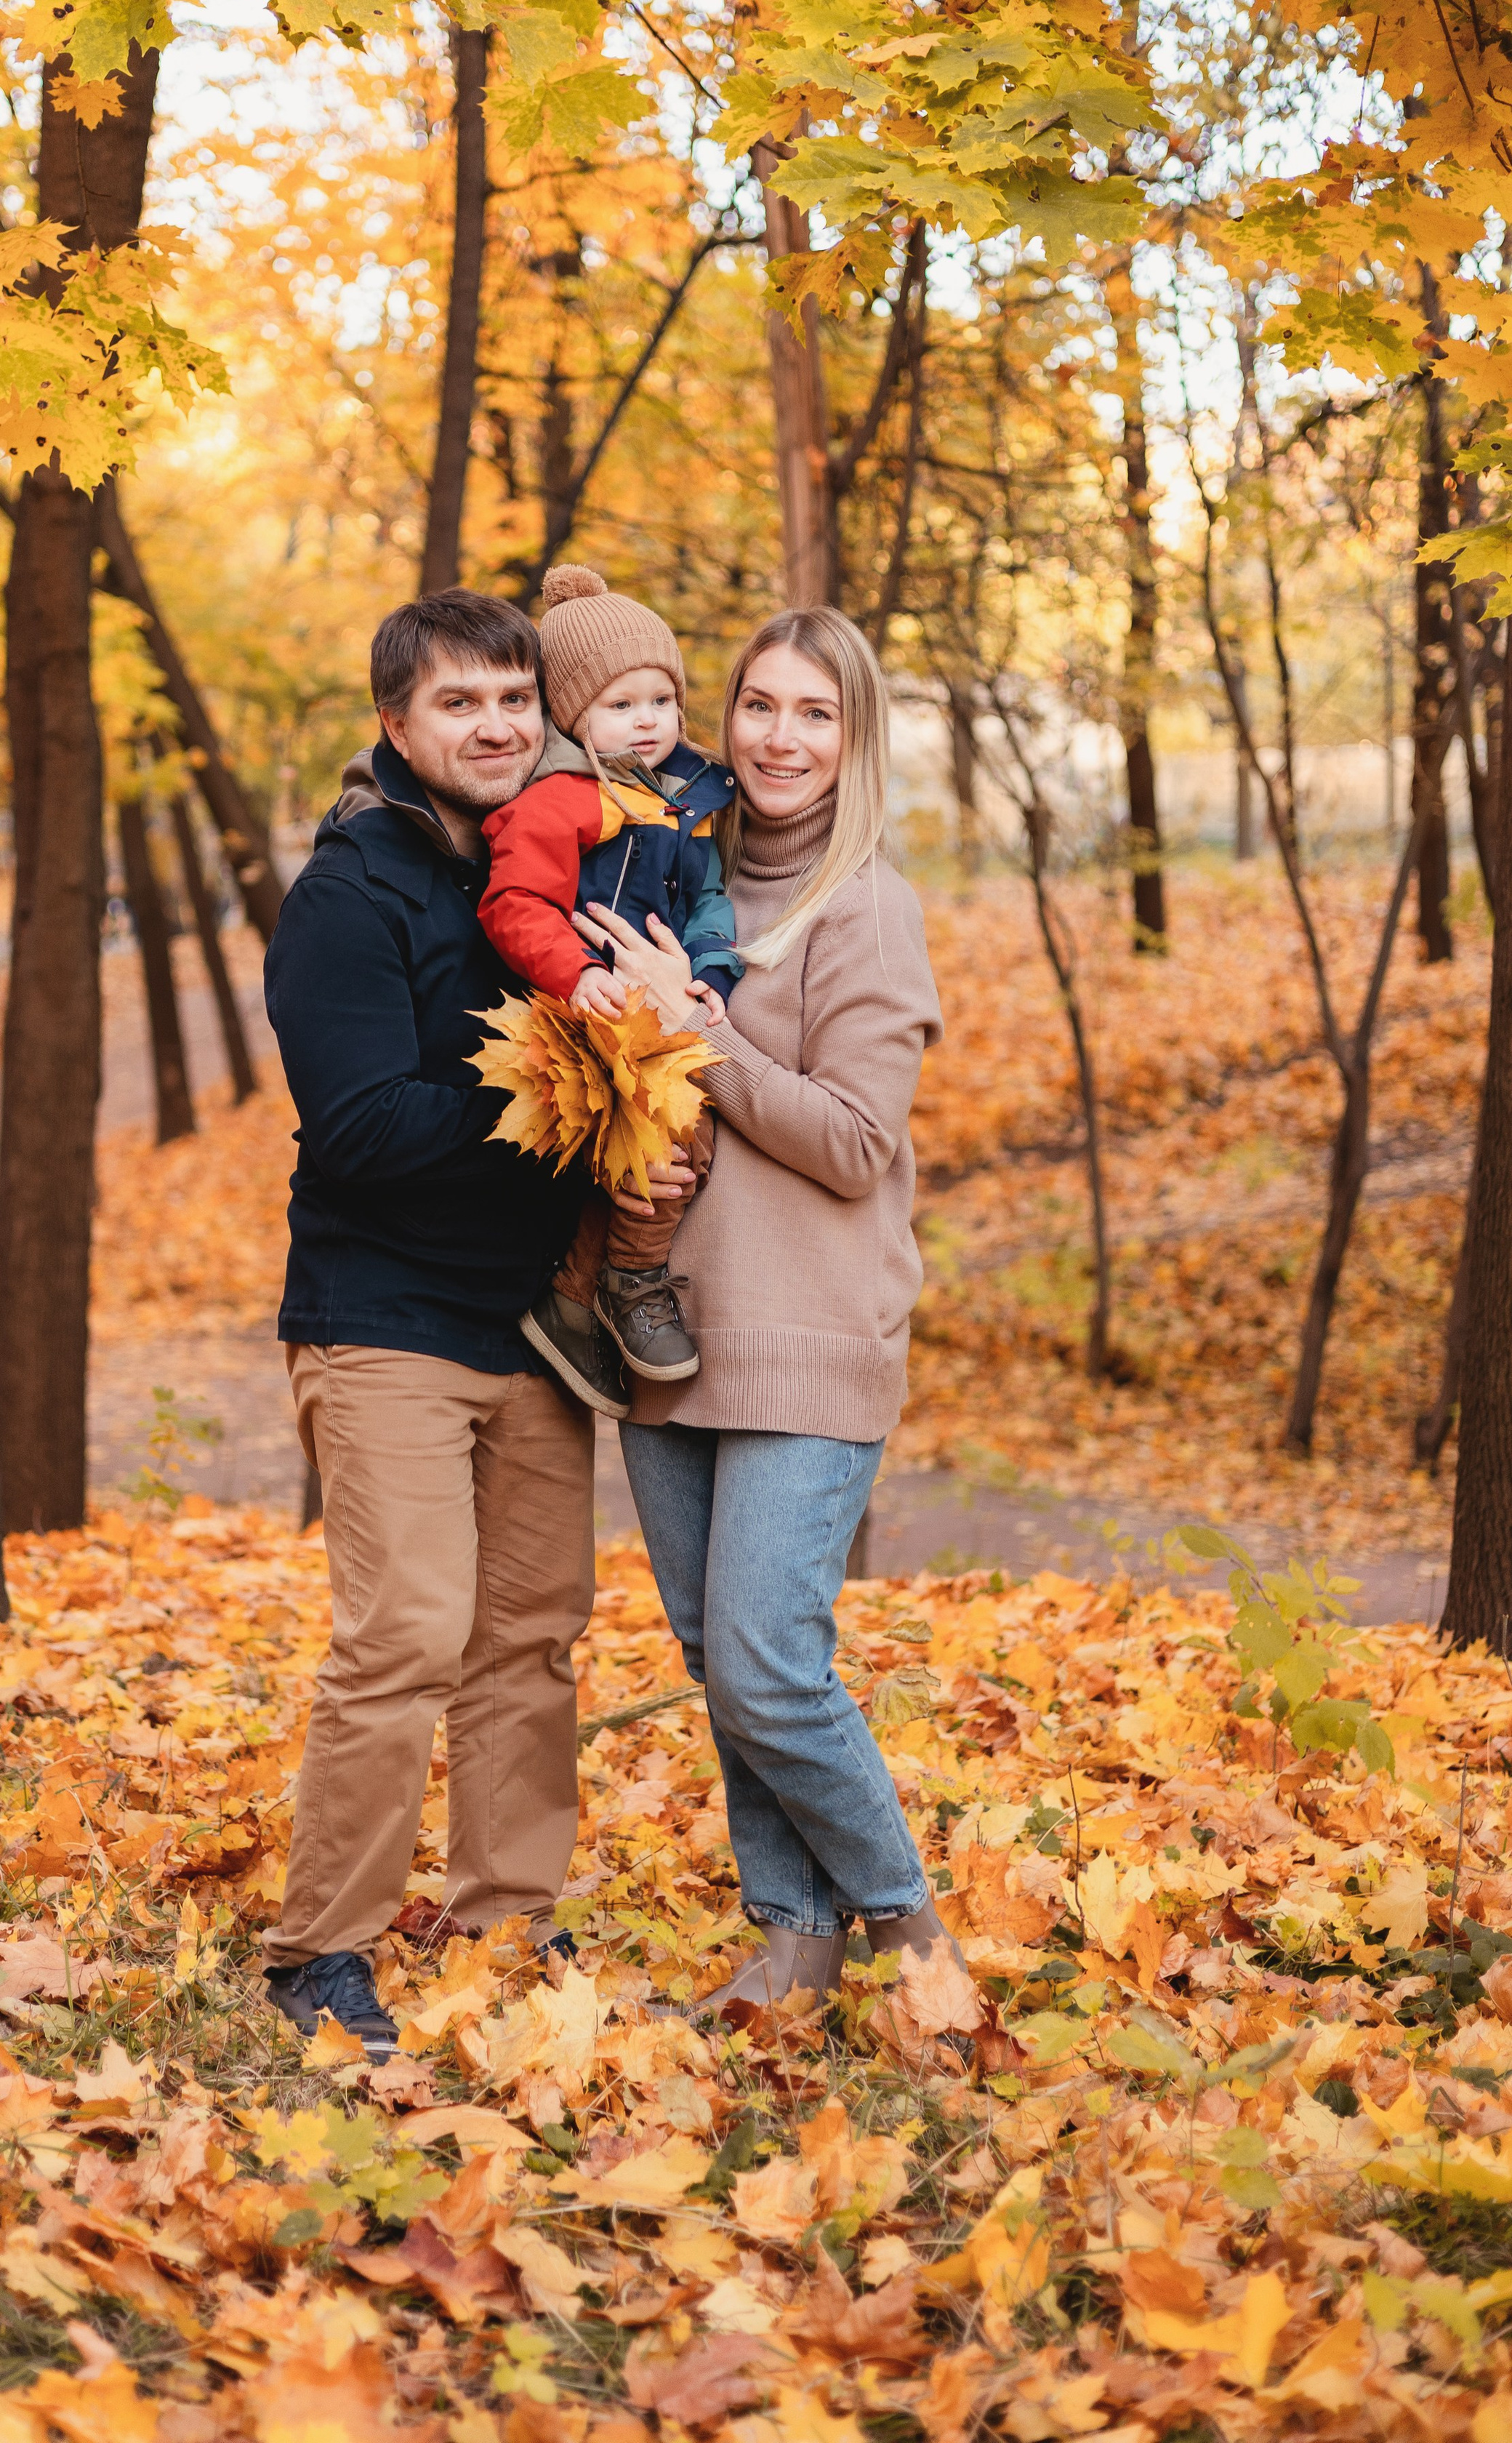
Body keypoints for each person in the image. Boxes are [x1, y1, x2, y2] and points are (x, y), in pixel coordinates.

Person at [260, 589, 689, 2055]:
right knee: (405, 1635)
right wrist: (568, 1099)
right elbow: (366, 1123)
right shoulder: (345, 899)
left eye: (513, 698)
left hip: (532, 1324)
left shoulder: (553, 853)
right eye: (460, 703)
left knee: (531, 1636)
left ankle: (506, 1913)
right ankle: (320, 1947)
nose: (495, 724)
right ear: (396, 725)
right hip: (382, 1318)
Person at [576, 606, 962, 2018]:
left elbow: (857, 1143)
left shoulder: (865, 906)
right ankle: (791, 1936)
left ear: (849, 740)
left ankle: (905, 1928)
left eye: (812, 714)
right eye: (756, 706)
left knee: (763, 1661)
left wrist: (705, 1034)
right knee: (716, 1663)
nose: (777, 737)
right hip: (666, 1325)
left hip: (808, 1336)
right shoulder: (674, 873)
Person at [478, 565, 741, 1415]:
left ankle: (586, 1291)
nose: (648, 722)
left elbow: (707, 900)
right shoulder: (564, 801)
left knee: (685, 1135)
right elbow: (514, 903)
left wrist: (708, 972)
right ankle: (626, 1281)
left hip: (655, 1006)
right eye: (621, 706)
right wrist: (579, 971)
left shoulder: (678, 800)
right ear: (569, 716)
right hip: (580, 1008)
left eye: (660, 701)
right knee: (670, 1140)